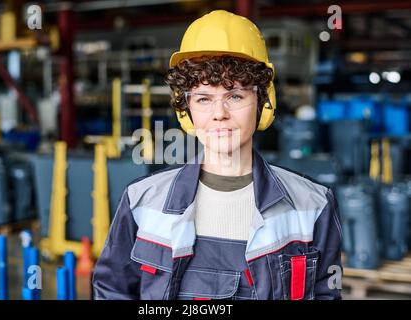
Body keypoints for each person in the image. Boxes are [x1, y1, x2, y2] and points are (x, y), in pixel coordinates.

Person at [93, 10, 342, 300]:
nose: (219, 114)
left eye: (235, 96)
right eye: (203, 99)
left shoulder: (312, 204)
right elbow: (111, 292)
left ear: (263, 102)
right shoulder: (142, 202)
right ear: (185, 110)